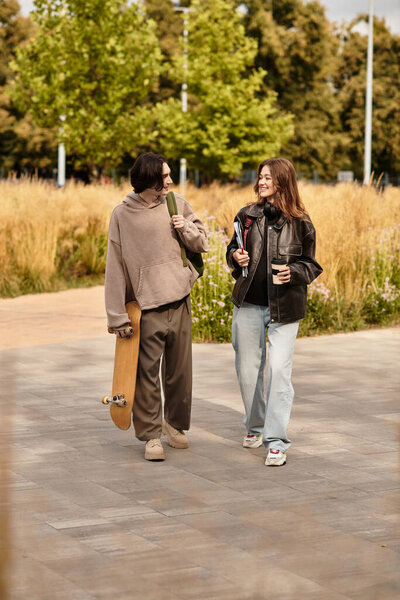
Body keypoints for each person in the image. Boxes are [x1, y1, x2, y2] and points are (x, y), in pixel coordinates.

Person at [105, 153, 208, 461]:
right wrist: (117, 316)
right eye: (164, 176)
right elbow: (115, 266)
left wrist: (184, 228)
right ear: (148, 179)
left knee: (180, 372)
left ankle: (175, 425)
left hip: (179, 299)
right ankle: (151, 435)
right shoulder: (122, 215)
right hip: (146, 306)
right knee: (146, 374)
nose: (170, 181)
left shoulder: (176, 203)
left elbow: (202, 242)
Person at [226, 157, 322, 466]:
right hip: (249, 304)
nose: (262, 181)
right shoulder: (246, 215)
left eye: (269, 177)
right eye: (261, 177)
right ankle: (254, 426)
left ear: (284, 181)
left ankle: (276, 441)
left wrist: (292, 272)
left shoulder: (302, 222)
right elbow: (233, 249)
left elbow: (311, 264)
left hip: (286, 306)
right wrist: (235, 257)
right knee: (246, 371)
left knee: (280, 371)